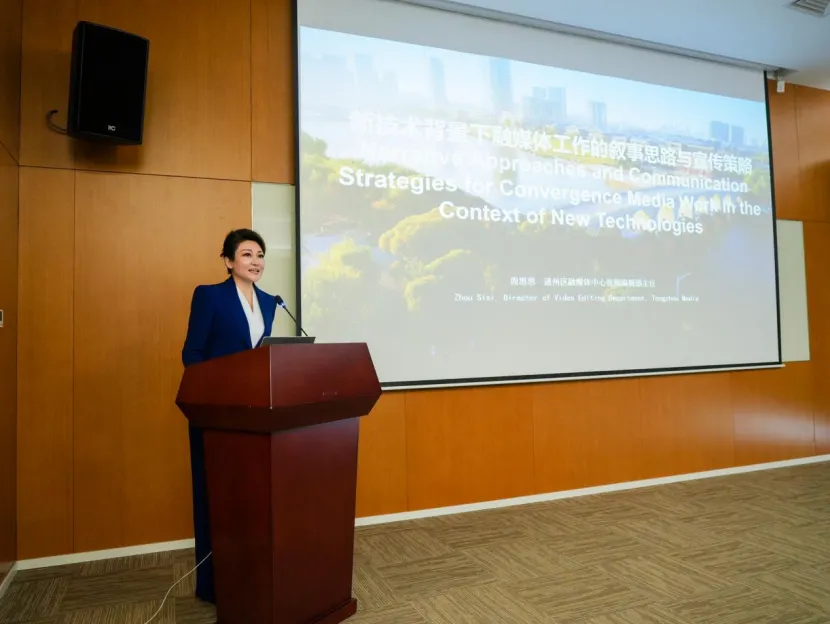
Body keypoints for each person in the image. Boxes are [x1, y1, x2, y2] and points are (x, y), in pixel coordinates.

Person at [180, 228, 278, 603]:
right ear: (228, 260)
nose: (256, 261)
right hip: (215, 415)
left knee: (247, 501)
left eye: (260, 255)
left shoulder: (269, 302)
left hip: (252, 416)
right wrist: (214, 390)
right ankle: (213, 586)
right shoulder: (209, 296)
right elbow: (192, 353)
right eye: (247, 254)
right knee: (215, 500)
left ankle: (246, 579)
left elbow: (258, 357)